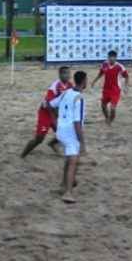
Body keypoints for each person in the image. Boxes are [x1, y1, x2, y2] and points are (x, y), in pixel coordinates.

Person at [48, 71, 88, 203]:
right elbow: (77, 123)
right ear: (83, 82)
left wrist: (56, 119)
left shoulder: (66, 92)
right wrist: (82, 142)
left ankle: (63, 185)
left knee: (70, 159)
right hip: (71, 133)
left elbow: (50, 104)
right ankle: (68, 193)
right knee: (73, 162)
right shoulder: (80, 98)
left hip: (60, 132)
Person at [20, 66, 73, 159]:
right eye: (65, 73)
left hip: (56, 113)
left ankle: (52, 144)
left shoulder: (70, 86)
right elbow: (49, 104)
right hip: (46, 112)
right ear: (60, 75)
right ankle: (23, 155)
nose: (68, 75)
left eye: (69, 73)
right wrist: (57, 117)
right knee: (39, 139)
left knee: (65, 132)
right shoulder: (55, 86)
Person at [91, 51, 130, 126]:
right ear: (108, 57)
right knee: (103, 105)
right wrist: (94, 81)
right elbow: (101, 73)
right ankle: (107, 118)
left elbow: (127, 76)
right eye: (110, 57)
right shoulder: (104, 64)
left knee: (112, 108)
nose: (111, 59)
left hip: (115, 90)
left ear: (116, 58)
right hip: (106, 89)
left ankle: (110, 121)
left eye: (113, 57)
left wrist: (126, 87)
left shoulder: (120, 67)